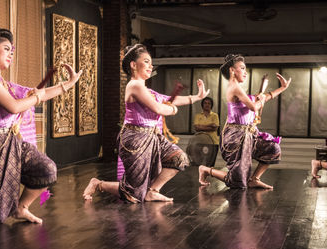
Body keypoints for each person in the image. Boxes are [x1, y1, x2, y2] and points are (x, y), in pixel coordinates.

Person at [0, 26, 82, 224]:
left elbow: (38, 94)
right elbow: (14, 107)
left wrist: (67, 84)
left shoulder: (5, 84)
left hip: (12, 143)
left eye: (12, 50)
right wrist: (36, 98)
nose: (11, 54)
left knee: (47, 169)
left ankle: (21, 208)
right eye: (7, 48)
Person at [83, 44, 209, 203]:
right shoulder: (134, 86)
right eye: (147, 62)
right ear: (133, 65)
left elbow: (167, 99)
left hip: (152, 137)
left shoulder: (146, 90)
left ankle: (153, 191)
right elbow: (158, 107)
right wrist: (173, 110)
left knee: (179, 159)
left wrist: (196, 97)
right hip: (135, 139)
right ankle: (98, 184)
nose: (151, 66)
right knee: (134, 195)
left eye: (151, 63)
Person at [198, 54, 291, 190]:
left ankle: (254, 179)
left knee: (273, 149)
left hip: (249, 134)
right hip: (236, 136)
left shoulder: (240, 90)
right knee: (238, 182)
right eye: (242, 68)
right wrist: (261, 99)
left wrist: (282, 88)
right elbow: (254, 106)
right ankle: (206, 170)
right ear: (232, 70)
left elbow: (260, 99)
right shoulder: (234, 87)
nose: (245, 72)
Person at [193, 96, 220, 166]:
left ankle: (208, 177)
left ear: (211, 105)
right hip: (200, 142)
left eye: (209, 103)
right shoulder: (198, 116)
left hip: (213, 143)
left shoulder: (215, 115)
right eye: (205, 103)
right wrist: (210, 125)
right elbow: (196, 128)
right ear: (202, 105)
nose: (207, 105)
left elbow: (215, 128)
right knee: (199, 163)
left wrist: (201, 127)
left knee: (210, 164)